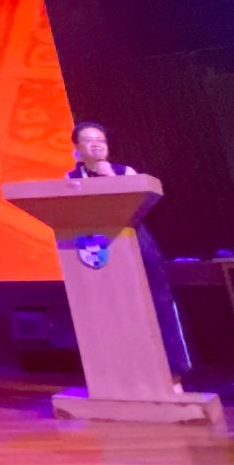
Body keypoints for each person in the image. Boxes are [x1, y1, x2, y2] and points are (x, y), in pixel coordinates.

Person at [65, 121, 193, 377]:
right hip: (97, 248)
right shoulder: (71, 178)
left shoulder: (124, 171)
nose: (97, 145)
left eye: (101, 140)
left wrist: (110, 178)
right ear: (76, 149)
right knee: (112, 307)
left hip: (134, 240)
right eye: (89, 141)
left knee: (156, 301)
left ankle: (174, 373)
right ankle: (123, 372)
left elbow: (140, 203)